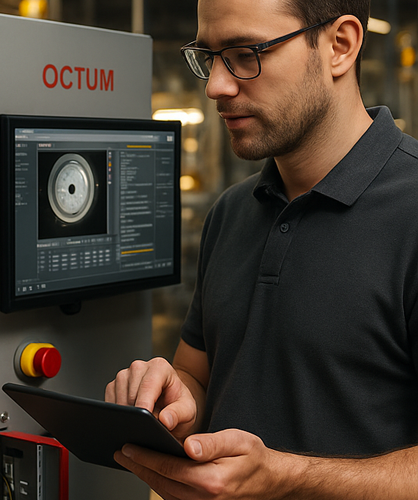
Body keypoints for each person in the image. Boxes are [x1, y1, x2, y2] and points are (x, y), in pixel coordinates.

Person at [106, 0, 418, 498]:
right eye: (209, 56)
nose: (215, 86)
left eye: (246, 53)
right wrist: (170, 394)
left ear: (340, 45)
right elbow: (200, 375)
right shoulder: (231, 212)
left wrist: (284, 478)